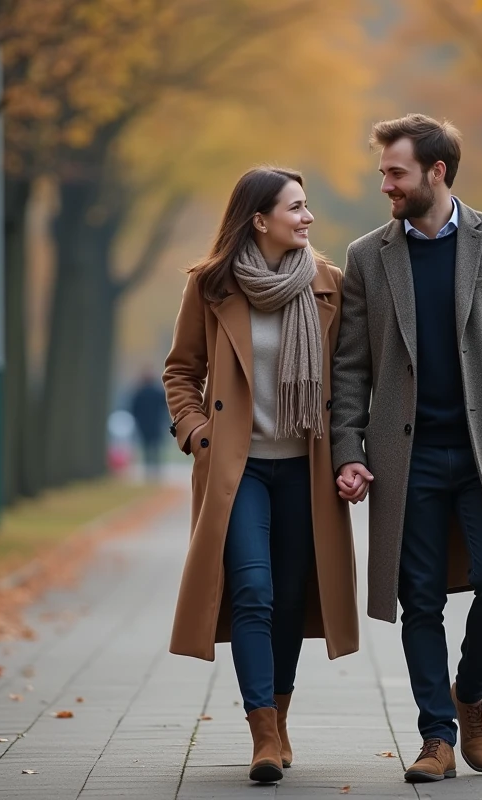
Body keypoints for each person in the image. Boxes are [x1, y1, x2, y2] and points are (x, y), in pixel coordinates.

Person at [331, 114, 482, 783]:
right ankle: (436, 738)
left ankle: (470, 689)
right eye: (383, 174)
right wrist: (348, 447)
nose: (386, 186)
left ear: (437, 172)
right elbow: (350, 368)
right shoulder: (369, 257)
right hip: (407, 458)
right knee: (418, 599)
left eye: (395, 173)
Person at [162, 166, 359, 785]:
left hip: (306, 468)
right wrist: (197, 434)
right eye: (295, 208)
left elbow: (353, 377)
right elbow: (180, 371)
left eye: (307, 208)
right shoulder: (211, 285)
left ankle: (280, 715)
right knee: (253, 591)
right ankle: (263, 734)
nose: (306, 218)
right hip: (239, 469)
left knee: (291, 599)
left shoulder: (331, 286)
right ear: (259, 219)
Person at [129, 368, 167, 480]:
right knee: (156, 448)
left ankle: (148, 471)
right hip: (156, 425)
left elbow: (133, 409)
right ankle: (156, 471)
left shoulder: (138, 393)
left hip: (143, 425)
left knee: (146, 448)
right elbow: (165, 406)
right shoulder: (158, 392)